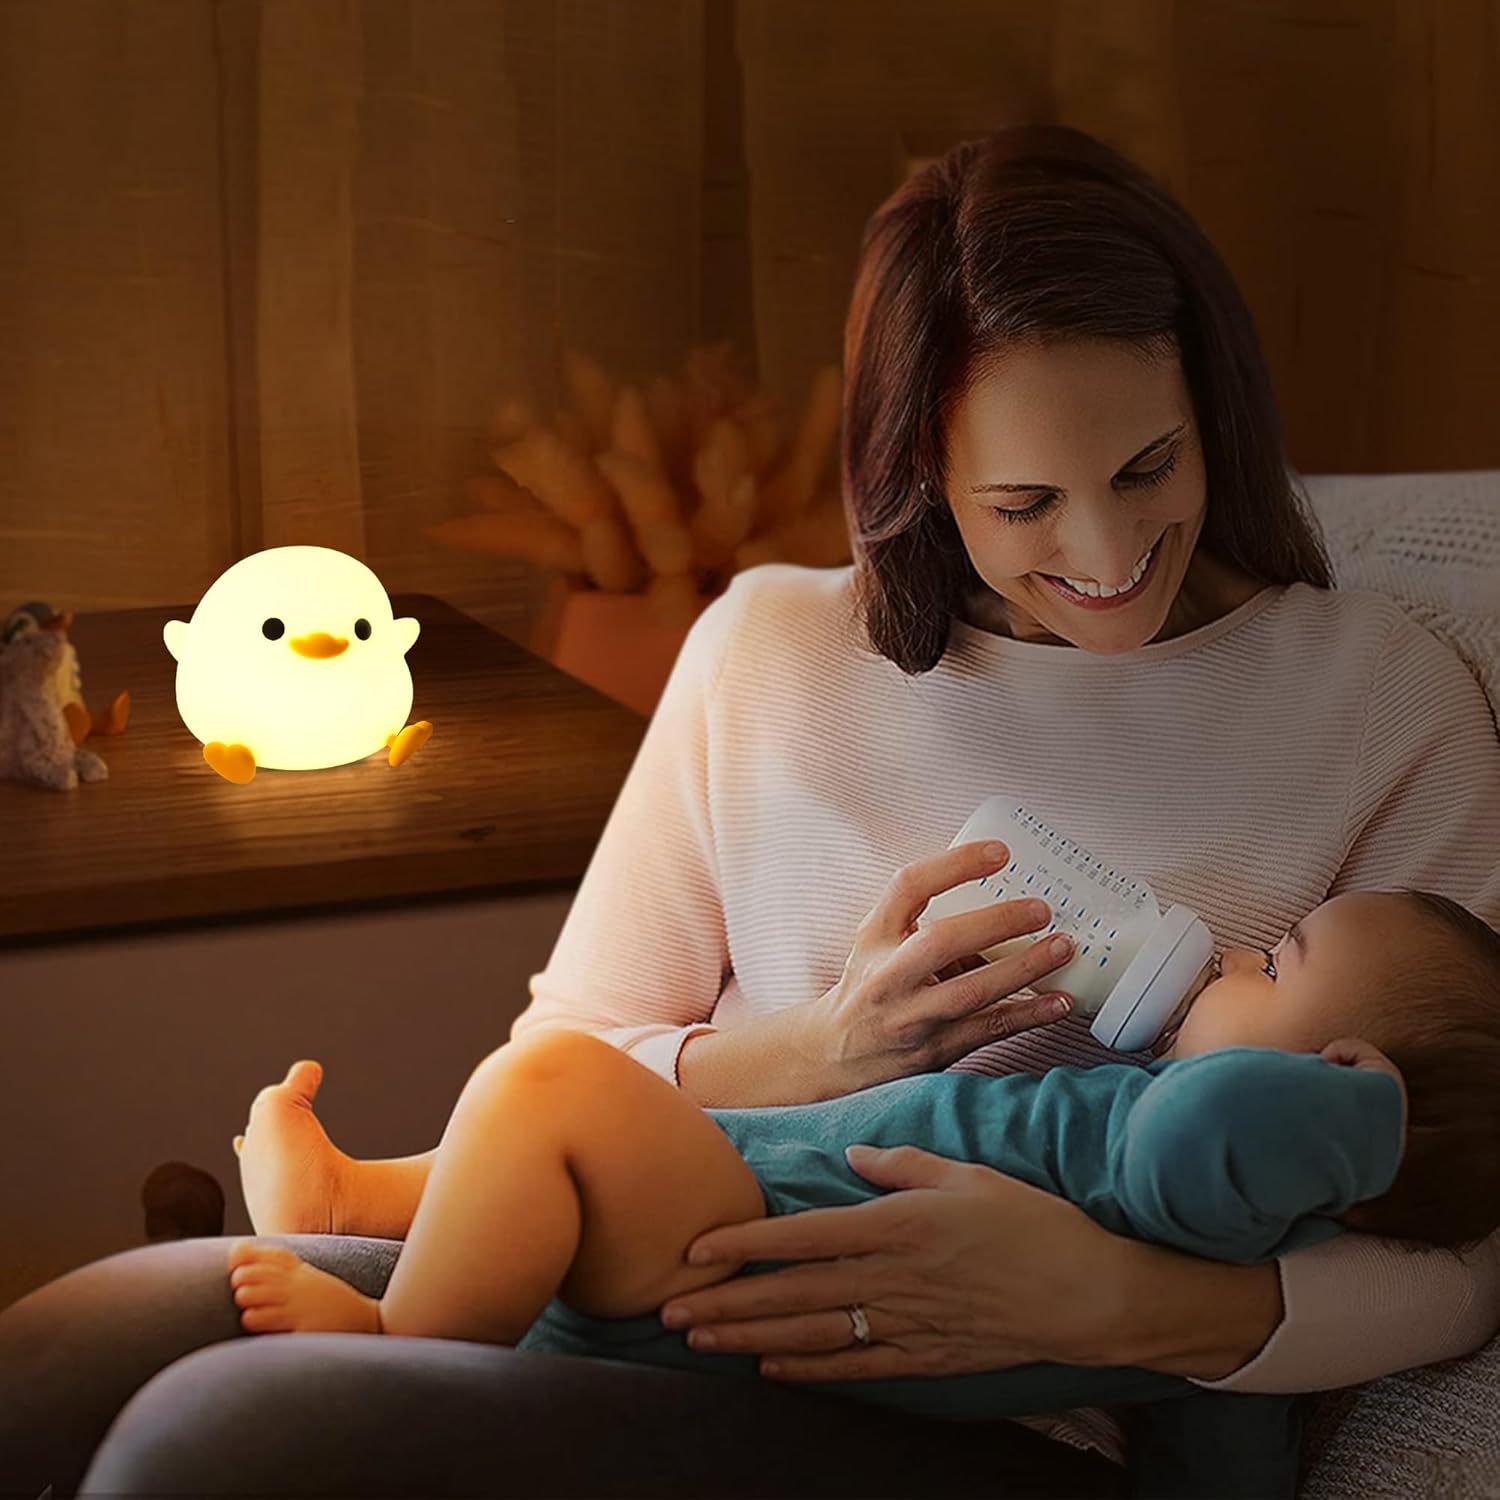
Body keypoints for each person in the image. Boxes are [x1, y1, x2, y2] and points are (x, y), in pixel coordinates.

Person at [2, 120, 1498, 1500]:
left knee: (215, 1440)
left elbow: (1465, 1231)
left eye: (1148, 466)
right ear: (919, 470)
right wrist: (822, 1049)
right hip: (660, 1267)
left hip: (1001, 1416)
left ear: (1209, 412)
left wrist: (1108, 1301)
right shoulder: (774, 649)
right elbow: (565, 1056)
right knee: (79, 1351)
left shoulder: (1379, 700)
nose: (1108, 552)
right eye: (1026, 504)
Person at [217, 884, 1500, 1500]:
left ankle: (401, 1342)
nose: (1237, 951)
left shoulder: (1185, 1165)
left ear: (1340, 1089)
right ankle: (361, 1205)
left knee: (551, 1091)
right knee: (575, 1108)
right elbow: (1223, 1466)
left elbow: (1228, 1135)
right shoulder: (1197, 1232)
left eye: (1278, 962)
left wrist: (1356, 1121)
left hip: (749, 1251)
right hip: (743, 1218)